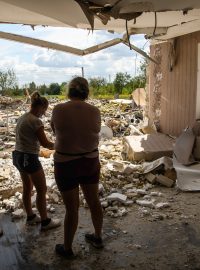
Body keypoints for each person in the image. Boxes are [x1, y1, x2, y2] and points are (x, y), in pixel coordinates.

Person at [51, 77, 103, 259]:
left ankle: (67, 248)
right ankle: (97, 237)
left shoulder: (59, 109)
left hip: (66, 163)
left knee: (72, 209)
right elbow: (95, 132)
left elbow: (55, 130)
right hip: (90, 161)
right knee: (94, 201)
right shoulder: (95, 111)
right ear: (87, 92)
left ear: (69, 91)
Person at [12, 91, 61, 231]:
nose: (43, 114)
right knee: (42, 189)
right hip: (29, 157)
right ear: (41, 107)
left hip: (18, 156)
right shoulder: (35, 121)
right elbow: (45, 143)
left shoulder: (22, 117)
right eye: (44, 111)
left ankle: (31, 216)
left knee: (27, 188)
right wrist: (59, 145)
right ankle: (45, 222)